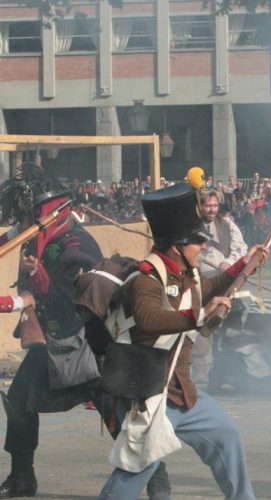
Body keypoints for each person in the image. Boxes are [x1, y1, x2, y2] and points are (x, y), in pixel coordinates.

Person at [98, 182, 268, 500]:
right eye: (197, 242)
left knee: (227, 435)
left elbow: (210, 285)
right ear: (177, 245)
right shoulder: (145, 279)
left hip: (181, 391)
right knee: (136, 468)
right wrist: (199, 317)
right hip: (148, 395)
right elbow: (150, 318)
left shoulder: (186, 274)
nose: (203, 247)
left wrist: (245, 265)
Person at [0, 165, 104, 498]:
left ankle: (156, 483)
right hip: (53, 346)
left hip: (87, 346)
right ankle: (22, 477)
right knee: (18, 402)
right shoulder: (37, 237)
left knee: (121, 416)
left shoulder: (77, 243)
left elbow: (72, 303)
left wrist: (38, 278)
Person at [191, 189, 249, 384]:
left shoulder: (227, 225)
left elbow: (241, 249)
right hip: (199, 283)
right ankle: (200, 371)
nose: (212, 210)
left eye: (215, 206)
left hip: (223, 283)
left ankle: (222, 372)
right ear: (200, 206)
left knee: (224, 326)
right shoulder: (191, 227)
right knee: (201, 326)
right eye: (208, 205)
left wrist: (229, 264)